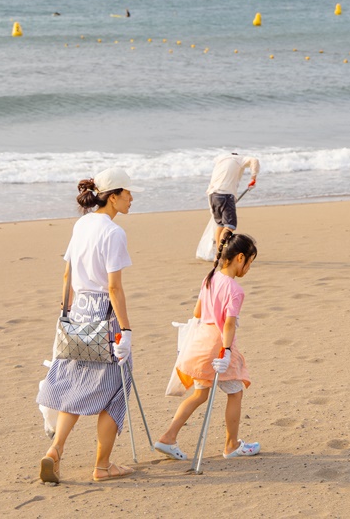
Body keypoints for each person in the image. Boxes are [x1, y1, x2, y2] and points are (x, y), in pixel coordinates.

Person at [36, 167, 141, 484]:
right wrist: (126, 331)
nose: (132, 198)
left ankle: (55, 450)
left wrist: (65, 314)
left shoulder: (82, 224)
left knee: (75, 385)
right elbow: (114, 289)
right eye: (127, 193)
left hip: (77, 314)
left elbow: (67, 276)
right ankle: (103, 466)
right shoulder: (113, 233)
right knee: (117, 389)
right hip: (103, 318)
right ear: (113, 196)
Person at [155, 233, 261, 461]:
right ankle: (231, 445)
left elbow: (197, 312)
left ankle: (168, 437)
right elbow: (229, 324)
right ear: (240, 258)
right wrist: (228, 352)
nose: (249, 268)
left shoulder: (210, 278)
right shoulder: (235, 289)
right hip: (219, 346)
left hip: (200, 342)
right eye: (250, 262)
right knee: (235, 392)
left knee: (200, 395)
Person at [207, 152, 259, 248]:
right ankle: (223, 253)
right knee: (230, 226)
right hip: (226, 195)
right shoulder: (239, 159)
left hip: (212, 195)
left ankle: (218, 254)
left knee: (220, 225)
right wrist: (253, 178)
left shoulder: (221, 159)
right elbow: (254, 160)